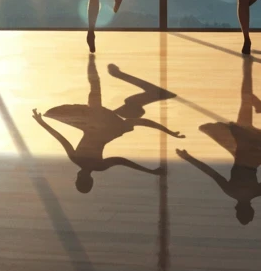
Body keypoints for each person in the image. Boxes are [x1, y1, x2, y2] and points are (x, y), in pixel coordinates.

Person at [176, 56, 261, 224]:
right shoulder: (231, 191)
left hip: (254, 152)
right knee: (246, 101)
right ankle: (248, 70)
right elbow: (211, 173)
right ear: (237, 209)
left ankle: (257, 100)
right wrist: (188, 157)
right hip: (243, 146)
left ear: (251, 208)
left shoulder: (257, 192)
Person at [32, 57, 180, 193]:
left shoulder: (98, 166)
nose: (77, 176)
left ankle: (92, 60)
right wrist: (41, 122)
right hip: (97, 123)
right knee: (96, 87)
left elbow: (122, 161)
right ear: (81, 178)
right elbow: (60, 137)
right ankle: (91, 59)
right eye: (78, 179)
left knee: (103, 95)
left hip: (103, 127)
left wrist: (151, 171)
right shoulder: (77, 159)